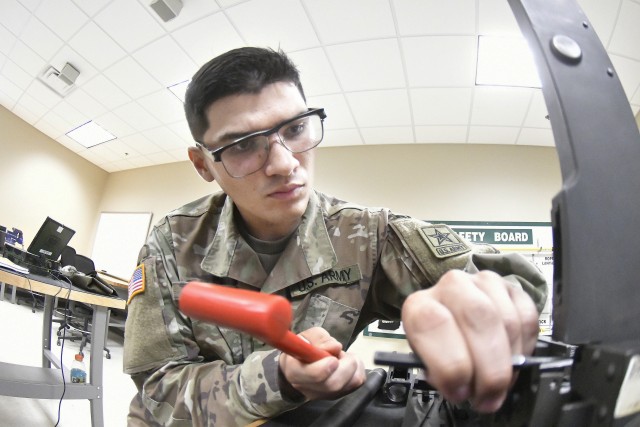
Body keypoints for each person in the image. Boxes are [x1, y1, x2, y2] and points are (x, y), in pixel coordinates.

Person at [123, 47, 547, 427]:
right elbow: (160, 388)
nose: (284, 164)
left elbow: (513, 284)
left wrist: (483, 305)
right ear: (202, 164)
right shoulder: (170, 244)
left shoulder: (368, 236)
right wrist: (278, 376)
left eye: (294, 130)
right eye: (243, 146)